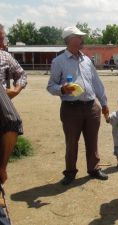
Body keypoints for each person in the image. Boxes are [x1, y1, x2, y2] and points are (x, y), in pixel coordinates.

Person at [47, 26, 109, 185]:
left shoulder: (87, 60)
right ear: (70, 40)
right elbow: (50, 86)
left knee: (92, 140)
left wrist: (104, 103)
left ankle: (94, 168)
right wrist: (62, 89)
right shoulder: (58, 61)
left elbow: (97, 83)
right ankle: (70, 172)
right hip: (70, 109)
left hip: (91, 107)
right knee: (71, 142)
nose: (83, 40)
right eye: (79, 37)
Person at [0, 23, 27, 225]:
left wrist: (16, 90)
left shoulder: (5, 56)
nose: (3, 42)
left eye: (3, 38)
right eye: (1, 38)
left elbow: (22, 74)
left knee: (11, 121)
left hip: (2, 110)